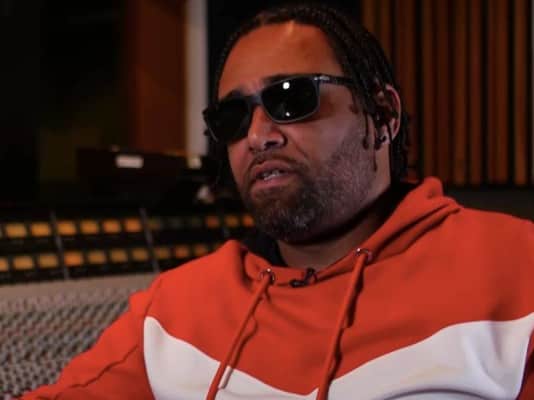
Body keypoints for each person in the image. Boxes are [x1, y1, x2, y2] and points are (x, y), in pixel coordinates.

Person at [22, 2, 533, 399]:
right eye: (233, 117)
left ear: (382, 114)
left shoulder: (515, 270)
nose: (258, 135)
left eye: (291, 98)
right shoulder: (174, 309)